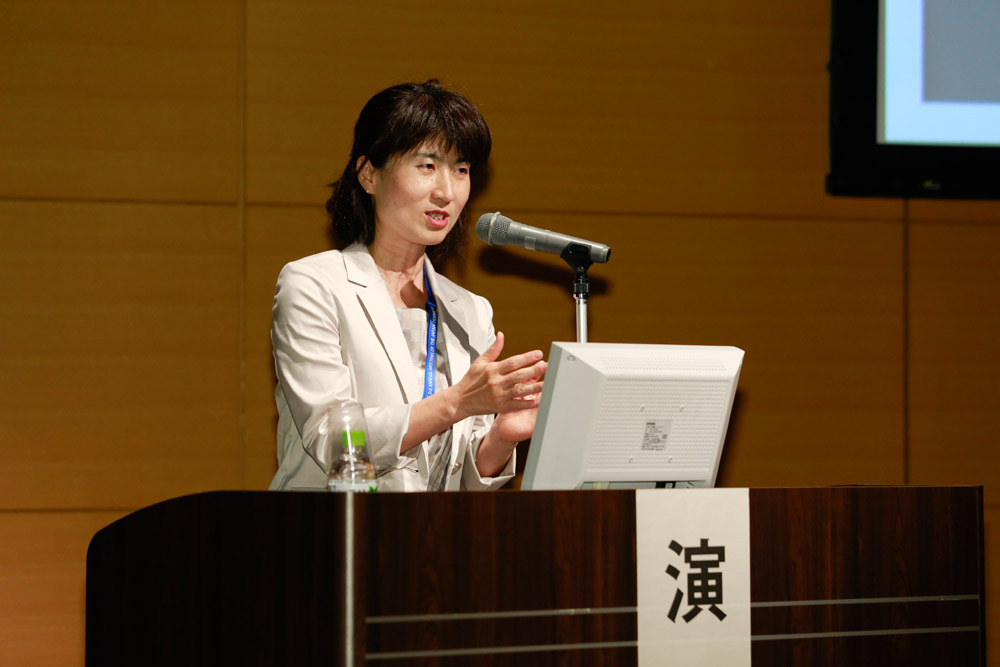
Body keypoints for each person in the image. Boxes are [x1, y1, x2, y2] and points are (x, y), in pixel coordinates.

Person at [269, 80, 547, 492]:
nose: (447, 191)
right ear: (369, 174)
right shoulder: (314, 285)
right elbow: (332, 440)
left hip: (435, 529)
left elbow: (459, 476)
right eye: (427, 166)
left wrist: (502, 437)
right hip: (334, 525)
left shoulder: (471, 309)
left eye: (461, 170)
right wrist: (456, 403)